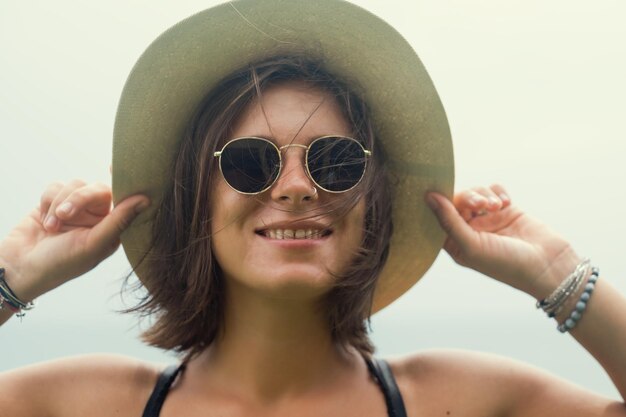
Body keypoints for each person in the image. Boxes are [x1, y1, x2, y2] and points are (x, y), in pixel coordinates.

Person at [1, 1, 625, 416]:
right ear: (197, 200)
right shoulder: (92, 403)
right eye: (251, 162)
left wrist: (560, 273)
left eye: (335, 162)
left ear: (370, 202)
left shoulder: (452, 399)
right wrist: (12, 277)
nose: (298, 187)